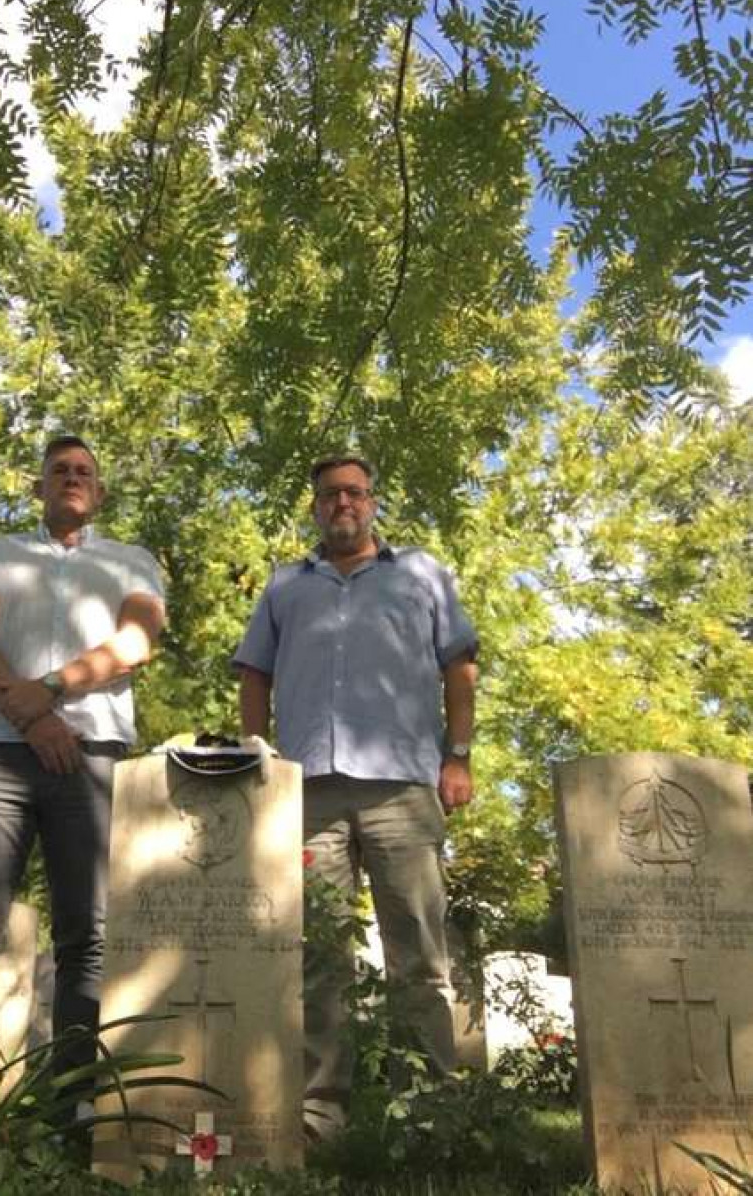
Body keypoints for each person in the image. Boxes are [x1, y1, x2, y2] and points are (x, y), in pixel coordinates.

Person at [233, 455, 477, 1139]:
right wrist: (260, 756)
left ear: (373, 503)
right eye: (330, 494)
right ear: (314, 507)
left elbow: (459, 666)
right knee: (317, 960)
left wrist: (457, 757)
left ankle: (429, 1112)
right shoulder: (286, 587)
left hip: (404, 786)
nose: (343, 503)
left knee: (420, 956)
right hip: (308, 795)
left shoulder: (422, 574)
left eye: (355, 492)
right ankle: (320, 1115)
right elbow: (254, 674)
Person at [0, 435, 165, 1087]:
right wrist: (31, 718)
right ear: (39, 487)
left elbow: (138, 641)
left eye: (85, 471)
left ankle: (76, 1113)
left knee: (88, 934)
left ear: (100, 491)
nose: (72, 478)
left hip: (92, 758)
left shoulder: (131, 560)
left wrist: (50, 690)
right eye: (59, 470)